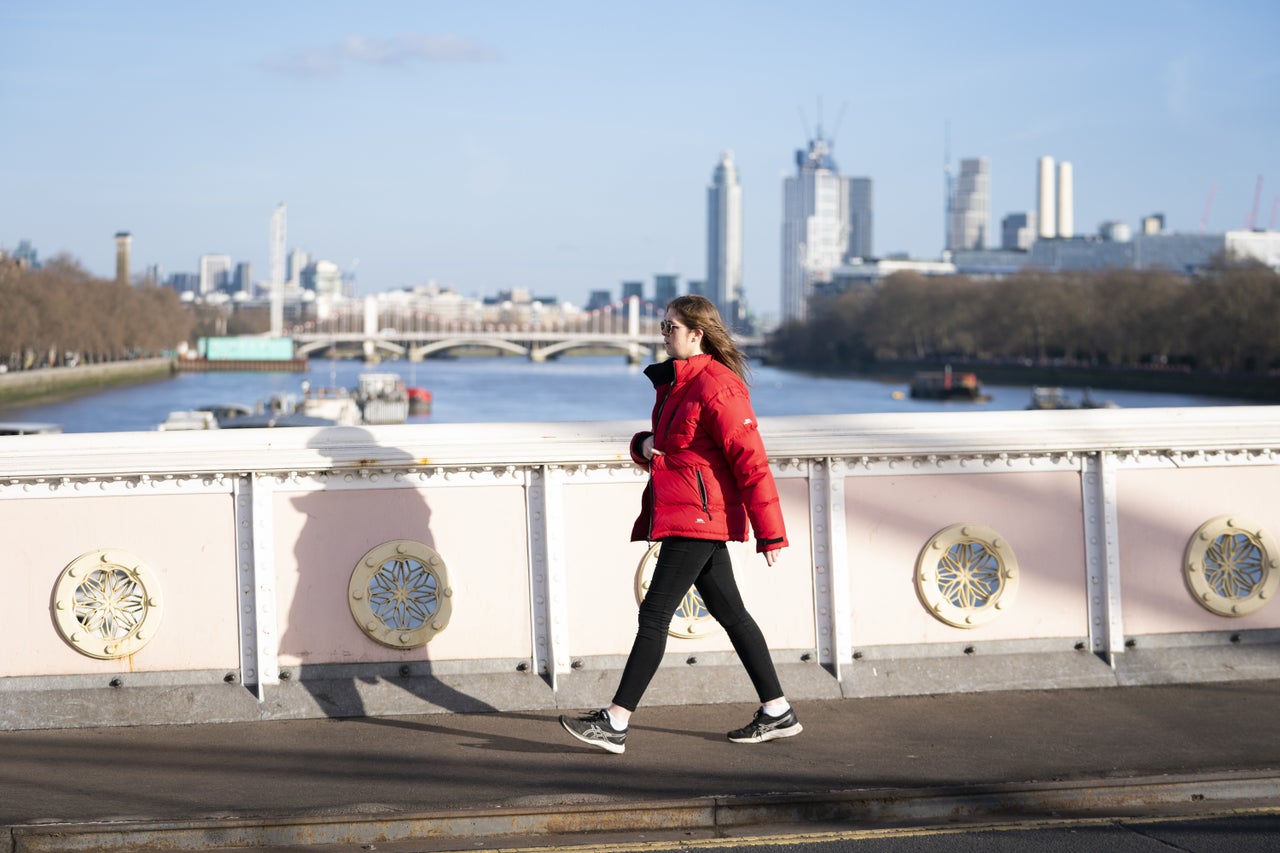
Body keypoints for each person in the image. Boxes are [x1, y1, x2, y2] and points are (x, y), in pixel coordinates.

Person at [559, 295, 801, 754]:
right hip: (691, 510)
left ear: (697, 333)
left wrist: (771, 532)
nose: (663, 333)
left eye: (670, 326)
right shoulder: (678, 383)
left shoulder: (719, 385)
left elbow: (752, 461)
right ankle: (777, 710)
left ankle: (615, 721)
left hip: (698, 515)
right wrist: (644, 444)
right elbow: (671, 445)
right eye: (663, 325)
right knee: (731, 613)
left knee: (654, 614)